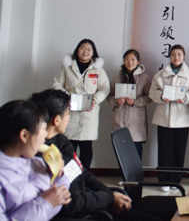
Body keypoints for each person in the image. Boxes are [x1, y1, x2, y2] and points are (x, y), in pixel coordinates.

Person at [30, 89, 163, 221]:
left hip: (93, 203)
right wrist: (108, 198)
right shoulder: (38, 156)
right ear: (57, 120)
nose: (69, 118)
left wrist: (110, 195)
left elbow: (83, 173)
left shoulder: (61, 140)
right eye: (68, 113)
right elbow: (69, 203)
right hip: (83, 214)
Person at [0, 99, 71, 221]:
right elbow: (47, 203)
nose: (45, 135)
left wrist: (58, 175)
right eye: (43, 129)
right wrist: (45, 203)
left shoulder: (36, 162)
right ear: (24, 135)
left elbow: (57, 199)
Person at [51, 38, 110, 169]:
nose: (85, 51)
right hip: (70, 112)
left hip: (89, 113)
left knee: (86, 146)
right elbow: (56, 84)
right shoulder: (67, 68)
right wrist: (68, 98)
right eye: (82, 48)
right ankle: (68, 176)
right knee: (69, 146)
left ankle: (85, 175)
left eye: (89, 49)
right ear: (77, 50)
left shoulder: (98, 70)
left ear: (93, 52)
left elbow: (105, 88)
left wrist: (95, 100)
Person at [149, 44, 189, 192]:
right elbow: (152, 92)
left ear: (184, 56)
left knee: (179, 151)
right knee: (164, 150)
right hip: (164, 118)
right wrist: (161, 96)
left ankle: (176, 181)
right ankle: (164, 180)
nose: (176, 57)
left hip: (182, 119)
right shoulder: (161, 74)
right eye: (174, 54)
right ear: (170, 56)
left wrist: (186, 97)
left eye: (179, 55)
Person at [107, 49, 153, 159]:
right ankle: (124, 172)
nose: (130, 62)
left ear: (138, 61)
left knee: (135, 154)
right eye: (127, 59)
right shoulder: (117, 78)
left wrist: (135, 102)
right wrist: (116, 101)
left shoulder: (144, 78)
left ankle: (136, 172)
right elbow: (109, 95)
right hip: (119, 120)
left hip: (137, 122)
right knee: (121, 155)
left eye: (133, 59)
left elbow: (149, 97)